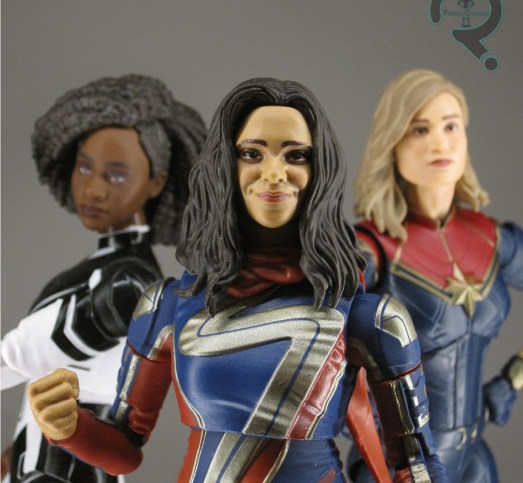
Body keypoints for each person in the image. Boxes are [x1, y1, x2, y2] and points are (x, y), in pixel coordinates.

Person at [26, 77, 447, 482]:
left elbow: (416, 461)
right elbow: (124, 447)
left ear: (320, 169)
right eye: (252, 153)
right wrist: (69, 426)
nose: (274, 172)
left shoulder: (369, 318)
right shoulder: (168, 306)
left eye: (295, 155)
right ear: (225, 165)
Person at [1, 74, 206, 483]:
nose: (92, 189)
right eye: (84, 168)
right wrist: (19, 449)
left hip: (71, 467)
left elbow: (20, 354)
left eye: (114, 175)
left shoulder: (128, 284)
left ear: (157, 182)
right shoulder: (110, 269)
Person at [347, 69, 522, 482]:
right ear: (392, 142)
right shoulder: (370, 249)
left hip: (475, 459)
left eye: (451, 126)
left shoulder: (492, 239)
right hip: (401, 466)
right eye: (420, 129)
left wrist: (512, 380)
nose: (440, 143)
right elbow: (315, 343)